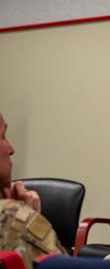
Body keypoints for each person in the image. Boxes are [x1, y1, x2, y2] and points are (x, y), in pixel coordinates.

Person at [0, 113, 66, 269]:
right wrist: (27, 217)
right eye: (2, 137)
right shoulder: (12, 217)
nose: (11, 149)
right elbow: (61, 264)